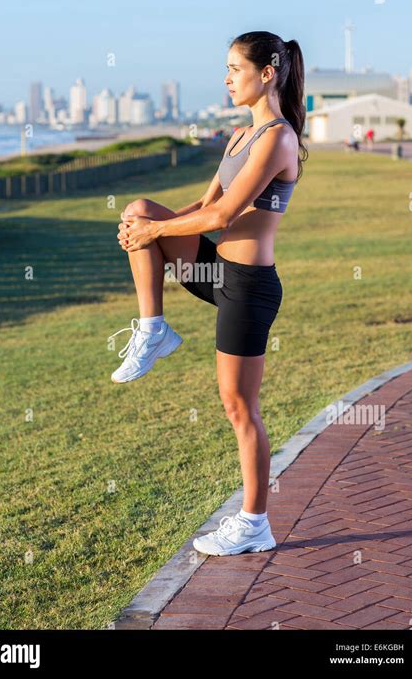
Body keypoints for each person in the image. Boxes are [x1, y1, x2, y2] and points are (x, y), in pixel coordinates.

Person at [112, 31, 308, 556]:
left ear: (266, 73)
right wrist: (143, 231)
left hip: (247, 287)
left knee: (239, 405)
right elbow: (197, 209)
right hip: (213, 270)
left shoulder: (277, 139)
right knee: (139, 209)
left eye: (233, 69)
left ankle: (254, 522)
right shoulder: (238, 138)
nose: (225, 80)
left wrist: (154, 235)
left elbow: (222, 218)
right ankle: (153, 329)